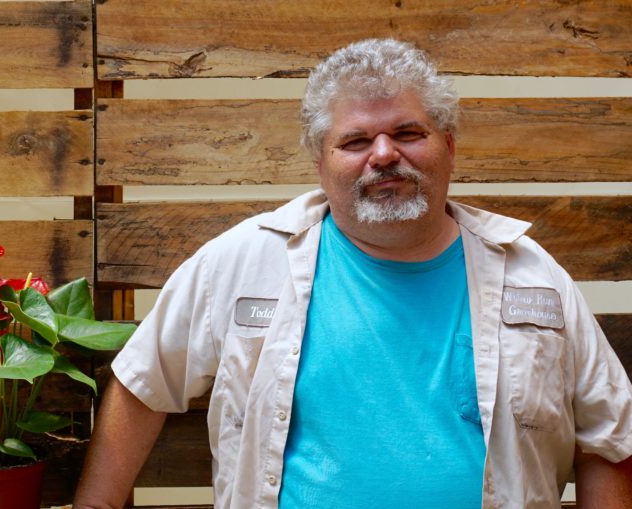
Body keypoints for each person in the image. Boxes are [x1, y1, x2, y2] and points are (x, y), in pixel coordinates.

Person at [73, 39, 632, 508]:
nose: (384, 154)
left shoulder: (533, 275)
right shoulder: (242, 262)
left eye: (408, 133)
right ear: (321, 162)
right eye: (356, 141)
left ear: (449, 146)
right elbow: (144, 381)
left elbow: (608, 438)